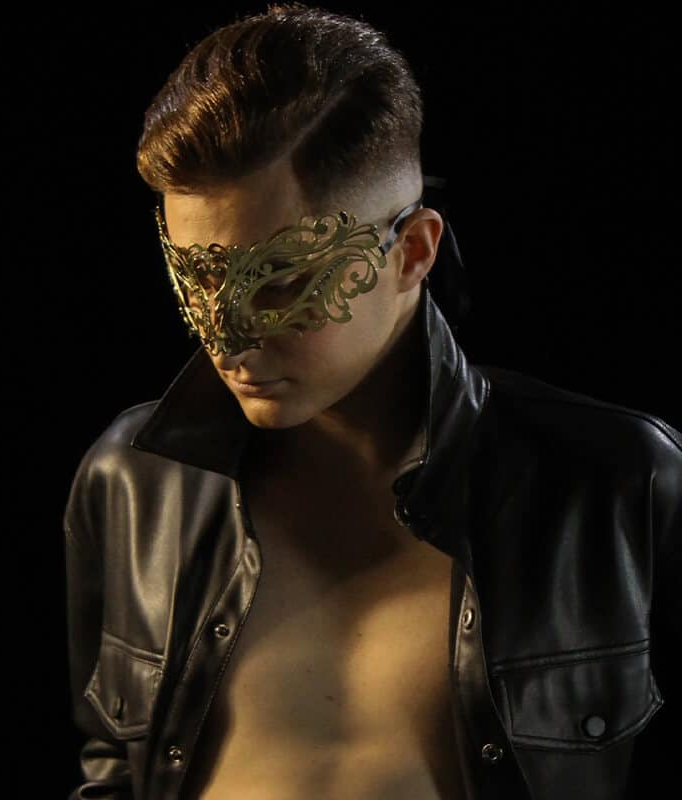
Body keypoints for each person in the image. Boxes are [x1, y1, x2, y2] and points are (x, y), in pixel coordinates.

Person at [63, 5, 680, 799]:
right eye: (198, 280)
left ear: (413, 251)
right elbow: (112, 769)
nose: (228, 343)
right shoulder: (130, 480)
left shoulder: (619, 487)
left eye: (280, 285)